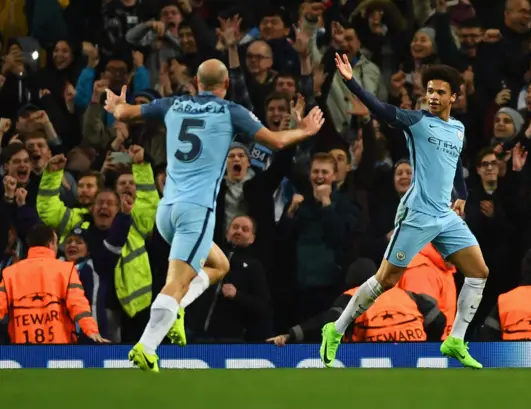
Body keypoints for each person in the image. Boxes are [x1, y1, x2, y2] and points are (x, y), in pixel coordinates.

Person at [103, 58, 325, 372]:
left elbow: (126, 113)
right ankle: (146, 346)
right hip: (196, 211)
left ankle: (177, 308)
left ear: (196, 81)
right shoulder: (230, 111)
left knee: (220, 265)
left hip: (167, 211)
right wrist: (304, 130)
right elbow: (275, 141)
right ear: (225, 86)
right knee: (176, 282)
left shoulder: (174, 104)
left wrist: (116, 106)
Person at [320, 54, 490, 369]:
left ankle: (455, 340)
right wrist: (351, 82)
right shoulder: (416, 121)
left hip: (445, 216)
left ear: (454, 96)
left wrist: (462, 195)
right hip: (417, 214)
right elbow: (382, 109)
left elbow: (454, 167)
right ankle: (336, 329)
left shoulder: (458, 129)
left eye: (440, 92)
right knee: (385, 279)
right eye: (430, 91)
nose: (433, 97)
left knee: (479, 273)